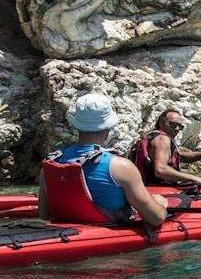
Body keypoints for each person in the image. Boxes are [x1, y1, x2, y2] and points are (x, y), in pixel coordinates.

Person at [37, 93, 168, 226]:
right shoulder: (122, 167)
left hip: (65, 235)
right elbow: (156, 219)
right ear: (107, 130)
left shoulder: (50, 164)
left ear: (77, 127)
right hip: (109, 236)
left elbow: (44, 215)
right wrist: (161, 203)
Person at [131, 108, 201, 188]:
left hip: (144, 186)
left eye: (180, 127)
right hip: (157, 188)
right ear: (161, 123)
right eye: (173, 124)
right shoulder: (162, 139)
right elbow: (160, 170)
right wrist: (194, 178)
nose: (177, 129)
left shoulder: (154, 136)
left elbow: (178, 156)